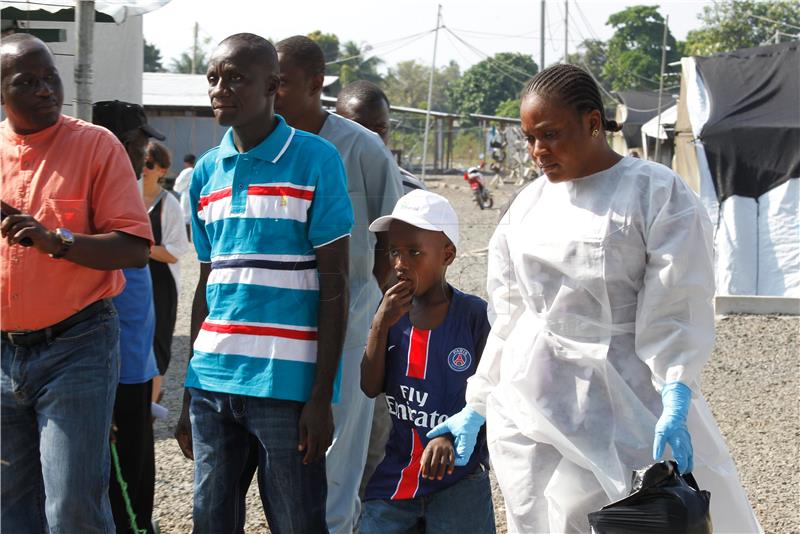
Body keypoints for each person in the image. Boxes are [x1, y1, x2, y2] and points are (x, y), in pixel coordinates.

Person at [434, 64, 762, 533]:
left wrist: (675, 385)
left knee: (648, 514)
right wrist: (479, 402)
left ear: (592, 123)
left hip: (629, 398)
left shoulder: (656, 191)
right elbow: (511, 315)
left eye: (550, 134)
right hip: (537, 402)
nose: (537, 151)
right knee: (545, 517)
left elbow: (678, 298)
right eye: (529, 138)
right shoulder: (528, 206)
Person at [172, 33, 353, 533]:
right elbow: (208, 286)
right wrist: (189, 390)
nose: (220, 89)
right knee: (211, 520)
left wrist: (321, 396)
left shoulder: (316, 160)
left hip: (286, 386)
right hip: (212, 380)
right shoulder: (206, 172)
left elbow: (334, 284)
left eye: (235, 78)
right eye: (213, 78)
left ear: (272, 85)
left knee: (297, 522)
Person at [0, 35, 152, 532]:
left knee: (71, 505)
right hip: (3, 352)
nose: (46, 90)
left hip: (77, 345)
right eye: (28, 82)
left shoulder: (95, 145)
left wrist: (57, 242)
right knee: (10, 504)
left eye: (51, 77)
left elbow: (134, 247)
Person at [275, 35, 404, 534]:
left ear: (314, 84)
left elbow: (392, 243)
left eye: (281, 82)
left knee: (338, 462)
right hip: (281, 330)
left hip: (350, 327)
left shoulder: (363, 148)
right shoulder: (268, 146)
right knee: (287, 458)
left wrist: (365, 314)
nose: (272, 92)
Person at [360, 190, 495, 533]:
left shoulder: (473, 316)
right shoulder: (391, 314)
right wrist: (380, 324)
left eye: (414, 252)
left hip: (459, 477)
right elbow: (369, 386)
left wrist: (449, 436)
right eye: (394, 251)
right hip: (397, 474)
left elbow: (494, 389)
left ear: (447, 254)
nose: (400, 263)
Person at [93, 99, 167, 534]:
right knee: (120, 477)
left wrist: (153, 368)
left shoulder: (128, 196)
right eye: (140, 141)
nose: (147, 152)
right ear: (116, 143)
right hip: (112, 370)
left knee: (139, 467)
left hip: (138, 367)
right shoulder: (99, 201)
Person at [142, 140, 189, 405]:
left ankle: (151, 403)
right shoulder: (124, 195)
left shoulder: (168, 204)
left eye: (149, 164)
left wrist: (135, 247)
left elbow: (174, 251)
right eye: (140, 163)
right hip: (127, 280)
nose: (143, 169)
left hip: (160, 283)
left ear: (162, 170)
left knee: (157, 340)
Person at [335, 80, 425, 193]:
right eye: (358, 130)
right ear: (336, 127)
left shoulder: (412, 191)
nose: (373, 140)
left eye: (380, 129)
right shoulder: (315, 185)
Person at [172, 153, 196, 239]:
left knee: (184, 216)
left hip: (186, 195)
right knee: (190, 216)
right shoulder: (194, 170)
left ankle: (186, 237)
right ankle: (190, 237)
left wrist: (177, 189)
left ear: (185, 162)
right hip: (193, 195)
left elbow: (179, 183)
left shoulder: (187, 171)